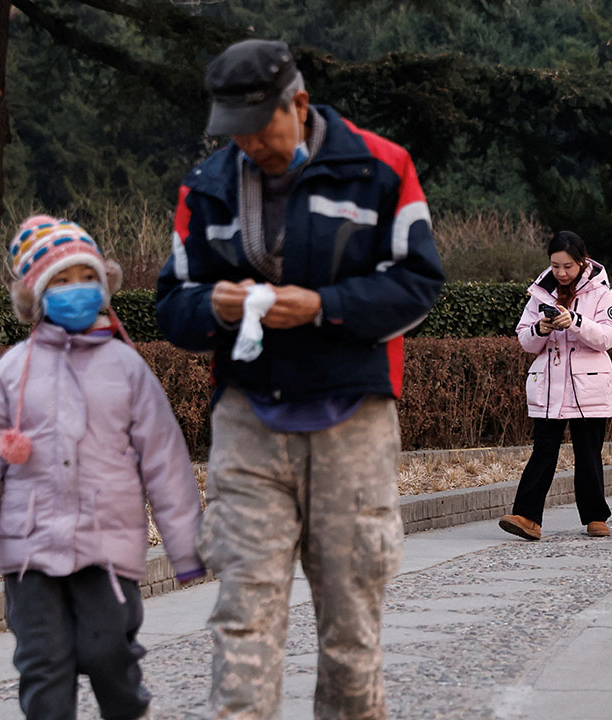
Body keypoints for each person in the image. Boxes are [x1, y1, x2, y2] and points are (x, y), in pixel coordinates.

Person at [155, 40, 444, 718]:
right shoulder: (205, 187)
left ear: (300, 104)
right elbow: (172, 302)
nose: (249, 143)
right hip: (249, 420)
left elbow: (420, 283)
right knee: (243, 620)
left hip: (354, 421)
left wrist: (325, 307)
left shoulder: (380, 167)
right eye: (236, 131)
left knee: (350, 626)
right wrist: (213, 308)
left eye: (262, 126)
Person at [0, 216, 204, 720]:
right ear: (36, 296)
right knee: (44, 666)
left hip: (107, 549)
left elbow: (165, 461)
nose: (76, 291)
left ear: (104, 286)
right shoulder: (12, 371)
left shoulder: (127, 368)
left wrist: (186, 548)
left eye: (87, 278)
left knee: (110, 655)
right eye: (60, 281)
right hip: (31, 552)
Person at [498, 231, 612, 541]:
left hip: (588, 387)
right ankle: (527, 517)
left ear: (581, 262)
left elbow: (609, 336)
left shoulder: (601, 292)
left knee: (588, 453)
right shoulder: (540, 292)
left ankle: (596, 517)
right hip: (549, 386)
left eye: (567, 266)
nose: (561, 273)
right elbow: (525, 340)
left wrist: (576, 322)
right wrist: (540, 328)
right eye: (555, 266)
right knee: (543, 451)